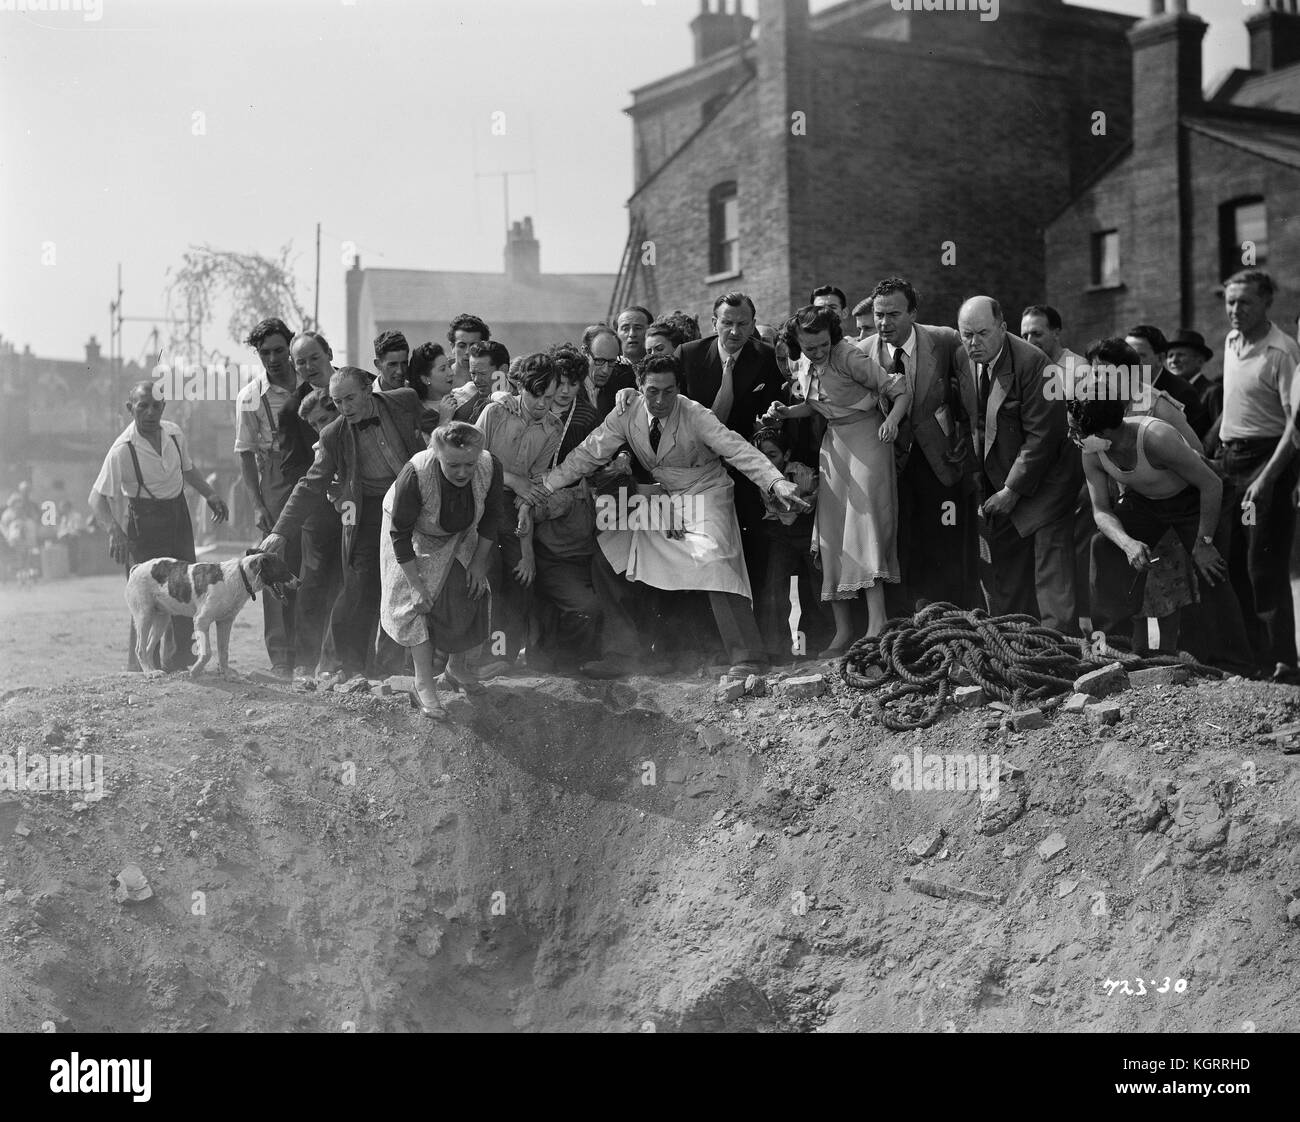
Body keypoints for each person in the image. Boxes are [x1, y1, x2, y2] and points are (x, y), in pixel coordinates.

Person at [539, 354, 808, 678]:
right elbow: (587, 453)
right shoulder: (626, 411)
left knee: (712, 558)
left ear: (679, 388)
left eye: (668, 391)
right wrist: (544, 486)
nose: (660, 399)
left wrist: (775, 481)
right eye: (652, 390)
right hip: (663, 496)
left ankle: (747, 656)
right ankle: (626, 653)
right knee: (611, 554)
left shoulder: (696, 414)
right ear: (639, 387)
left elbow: (738, 450)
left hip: (705, 492)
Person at [1072, 375, 1253, 674]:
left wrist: (1204, 543)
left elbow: (1212, 484)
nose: (1072, 435)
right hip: (1147, 501)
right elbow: (1101, 512)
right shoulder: (1090, 450)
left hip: (1197, 496)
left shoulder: (1155, 437)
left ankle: (1235, 665)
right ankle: (1111, 647)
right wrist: (1127, 543)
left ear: (1104, 432)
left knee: (1212, 570)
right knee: (1104, 547)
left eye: (1076, 430)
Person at [260, 367, 424, 682]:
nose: (345, 408)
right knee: (360, 588)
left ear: (368, 389)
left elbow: (430, 429)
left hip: (413, 505)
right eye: (337, 402)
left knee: (405, 584)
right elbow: (310, 484)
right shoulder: (332, 434)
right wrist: (280, 532)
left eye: (350, 398)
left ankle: (392, 667)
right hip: (368, 510)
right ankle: (353, 669)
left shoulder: (404, 400)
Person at [765, 305, 910, 652]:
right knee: (832, 534)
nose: (817, 353)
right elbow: (818, 405)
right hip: (835, 445)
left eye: (822, 345)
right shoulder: (803, 362)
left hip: (868, 440)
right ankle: (843, 630)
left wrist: (891, 422)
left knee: (865, 528)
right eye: (809, 347)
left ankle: (877, 623)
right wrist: (788, 412)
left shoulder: (849, 356)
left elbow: (898, 391)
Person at [954, 295, 1081, 632]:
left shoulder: (1035, 364)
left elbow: (1044, 436)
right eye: (966, 334)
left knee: (1049, 570)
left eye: (982, 333)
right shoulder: (962, 357)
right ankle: (1015, 640)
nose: (973, 342)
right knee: (1007, 568)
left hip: (1048, 480)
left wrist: (1011, 489)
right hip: (999, 480)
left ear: (1003, 327)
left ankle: (1058, 648)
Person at [89, 381, 229, 670]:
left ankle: (182, 662)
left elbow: (188, 469)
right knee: (146, 596)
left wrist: (210, 494)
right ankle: (141, 667)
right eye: (143, 406)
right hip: (144, 523)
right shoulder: (122, 450)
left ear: (163, 407)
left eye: (156, 406)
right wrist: (114, 531)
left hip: (178, 516)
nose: (150, 413)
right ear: (131, 409)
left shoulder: (174, 434)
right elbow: (96, 498)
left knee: (188, 588)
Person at [379, 422, 504, 719]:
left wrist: (477, 564)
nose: (462, 472)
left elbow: (492, 518)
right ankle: (422, 682)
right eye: (453, 465)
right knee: (420, 603)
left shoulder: (489, 466)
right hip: (412, 535)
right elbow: (400, 533)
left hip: (462, 529)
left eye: (468, 464)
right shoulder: (416, 474)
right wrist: (415, 584)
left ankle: (456, 668)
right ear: (437, 454)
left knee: (469, 589)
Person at [860, 277, 970, 612]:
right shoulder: (861, 353)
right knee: (898, 540)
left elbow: (970, 392)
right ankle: (905, 624)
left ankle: (948, 617)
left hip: (939, 460)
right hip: (889, 461)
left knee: (943, 538)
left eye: (893, 314)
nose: (883, 322)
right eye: (879, 314)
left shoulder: (945, 340)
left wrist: (964, 432)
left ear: (913, 313)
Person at [1226, 269, 1300, 677]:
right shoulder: (1231, 340)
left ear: (1266, 303)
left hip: (1268, 461)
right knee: (1234, 562)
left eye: (1245, 302)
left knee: (1263, 566)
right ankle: (1253, 660)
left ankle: (1283, 662)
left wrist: (1267, 478)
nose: (1235, 310)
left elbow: (1296, 425)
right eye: (1231, 302)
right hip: (1231, 462)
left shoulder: (1282, 351)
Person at [474, 354, 563, 674]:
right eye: (536, 395)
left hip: (511, 507)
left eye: (550, 398)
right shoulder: (496, 412)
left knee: (521, 575)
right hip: (478, 501)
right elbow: (472, 458)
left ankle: (502, 657)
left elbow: (537, 480)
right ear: (520, 387)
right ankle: (474, 656)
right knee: (487, 576)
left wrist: (526, 506)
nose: (542, 404)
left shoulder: (553, 427)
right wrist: (513, 479)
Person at [236, 317, 304, 678]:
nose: (274, 359)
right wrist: (257, 504)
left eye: (280, 350)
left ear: (290, 347)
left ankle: (314, 656)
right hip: (275, 477)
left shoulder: (311, 380)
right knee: (275, 562)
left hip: (316, 468)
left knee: (316, 561)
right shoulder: (250, 397)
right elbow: (245, 454)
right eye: (265, 353)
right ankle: (282, 658)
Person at [287, 330, 343, 678]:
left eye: (314, 358)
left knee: (353, 581)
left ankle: (344, 662)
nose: (308, 367)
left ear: (329, 354)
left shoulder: (358, 386)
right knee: (315, 581)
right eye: (301, 362)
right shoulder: (295, 407)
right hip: (319, 505)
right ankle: (306, 663)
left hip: (362, 500)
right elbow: (294, 465)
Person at [751, 425, 821, 661]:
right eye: (763, 456)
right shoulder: (759, 474)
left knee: (816, 584)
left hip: (805, 530)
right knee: (774, 585)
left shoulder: (801, 473)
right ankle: (773, 649)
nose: (767, 461)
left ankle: (822, 641)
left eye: (773, 455)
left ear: (787, 455)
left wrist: (811, 499)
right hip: (779, 533)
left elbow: (819, 490)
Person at [1126, 324, 1208, 438]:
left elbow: (1192, 446)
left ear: (1160, 359)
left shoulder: (1182, 393)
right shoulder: (1120, 390)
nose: (1129, 363)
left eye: (1140, 356)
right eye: (1125, 356)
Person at [1163, 328, 1221, 440]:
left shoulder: (1213, 391)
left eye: (1180, 355)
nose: (1174, 360)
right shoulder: (1168, 393)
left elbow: (1218, 433)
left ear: (1199, 361)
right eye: (1170, 356)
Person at [1021, 304, 1088, 398]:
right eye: (1024, 336)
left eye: (1037, 334)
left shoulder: (1081, 368)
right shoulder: (1024, 373)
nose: (1029, 342)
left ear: (1056, 333)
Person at [580, 324, 637, 419]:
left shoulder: (625, 381)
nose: (605, 371)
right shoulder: (567, 382)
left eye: (612, 362)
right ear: (585, 352)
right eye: (599, 361)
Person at [450, 340, 510, 424]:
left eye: (483, 373)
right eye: (473, 373)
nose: (476, 380)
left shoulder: (524, 398)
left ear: (503, 370)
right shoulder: (464, 401)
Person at [409, 342, 457, 436]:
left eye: (449, 366)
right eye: (443, 369)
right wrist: (444, 420)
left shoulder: (463, 396)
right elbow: (428, 450)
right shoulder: (418, 415)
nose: (451, 373)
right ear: (426, 379)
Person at [446, 313, 491, 390]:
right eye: (462, 346)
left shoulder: (494, 377)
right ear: (453, 347)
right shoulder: (439, 377)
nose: (467, 352)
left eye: (473, 346)